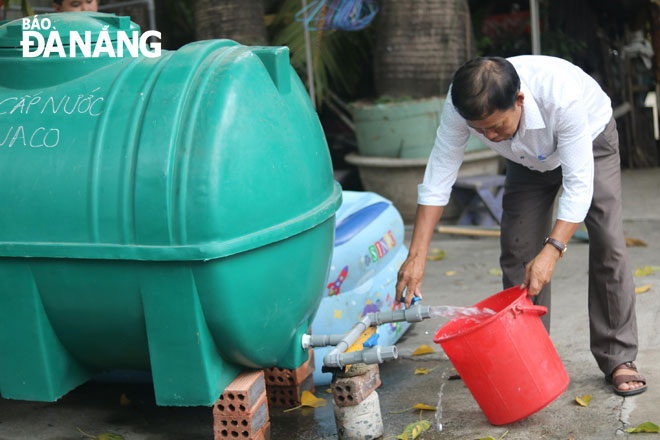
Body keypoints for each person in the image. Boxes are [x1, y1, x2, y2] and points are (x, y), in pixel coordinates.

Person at [395, 55, 647, 397]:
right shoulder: (461, 104)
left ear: (519, 100)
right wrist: (417, 254)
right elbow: (439, 175)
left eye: (496, 126)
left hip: (590, 140)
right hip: (526, 159)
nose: (490, 137)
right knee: (517, 251)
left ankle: (618, 356)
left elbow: (578, 186)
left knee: (607, 242)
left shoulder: (562, 96)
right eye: (480, 131)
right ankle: (528, 357)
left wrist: (553, 249)